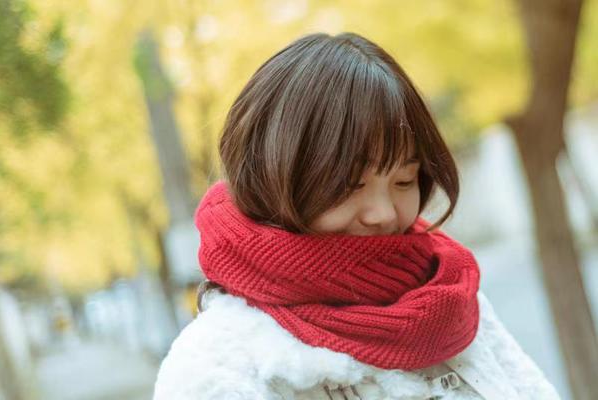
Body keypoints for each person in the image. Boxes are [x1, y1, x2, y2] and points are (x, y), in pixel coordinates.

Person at [153, 32, 560, 400]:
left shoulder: (450, 299)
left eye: (404, 181)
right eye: (349, 185)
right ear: (274, 177)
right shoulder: (218, 368)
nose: (383, 214)